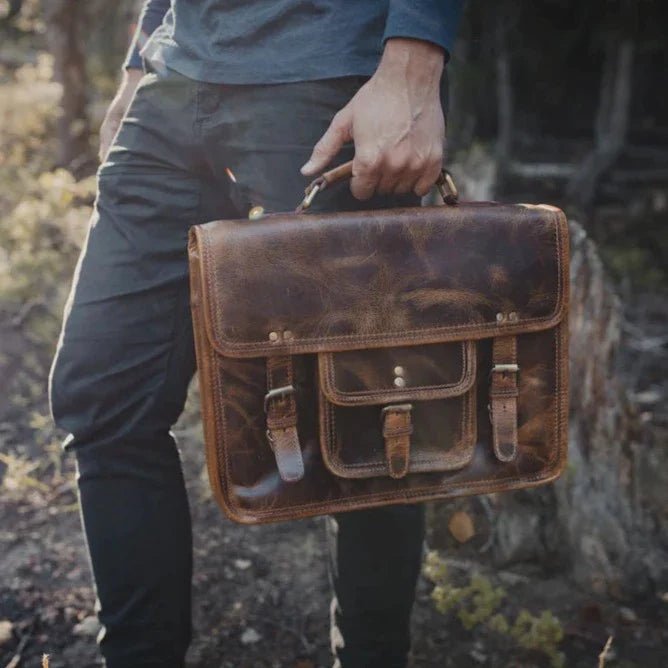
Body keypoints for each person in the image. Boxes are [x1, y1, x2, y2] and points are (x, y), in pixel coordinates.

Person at [49, 1, 466, 666]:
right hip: (174, 85)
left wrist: (414, 57)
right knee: (101, 397)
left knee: (365, 423)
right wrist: (137, 64)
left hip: (325, 83)